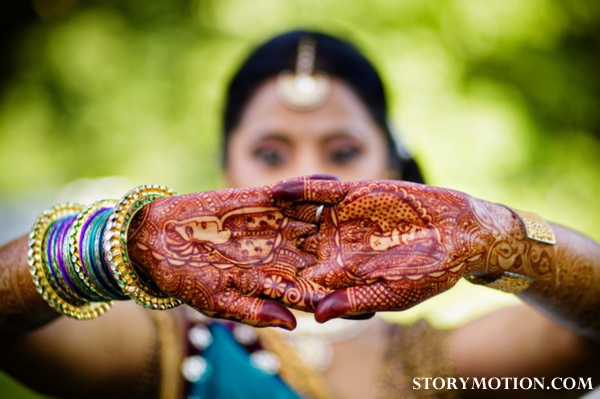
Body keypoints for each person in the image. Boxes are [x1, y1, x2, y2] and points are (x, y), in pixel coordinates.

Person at [0, 29, 599, 399]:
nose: (309, 180)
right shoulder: (174, 349)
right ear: (226, 176)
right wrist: (121, 245)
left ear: (393, 168)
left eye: (343, 151)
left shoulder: (434, 369)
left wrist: (500, 239)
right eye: (269, 153)